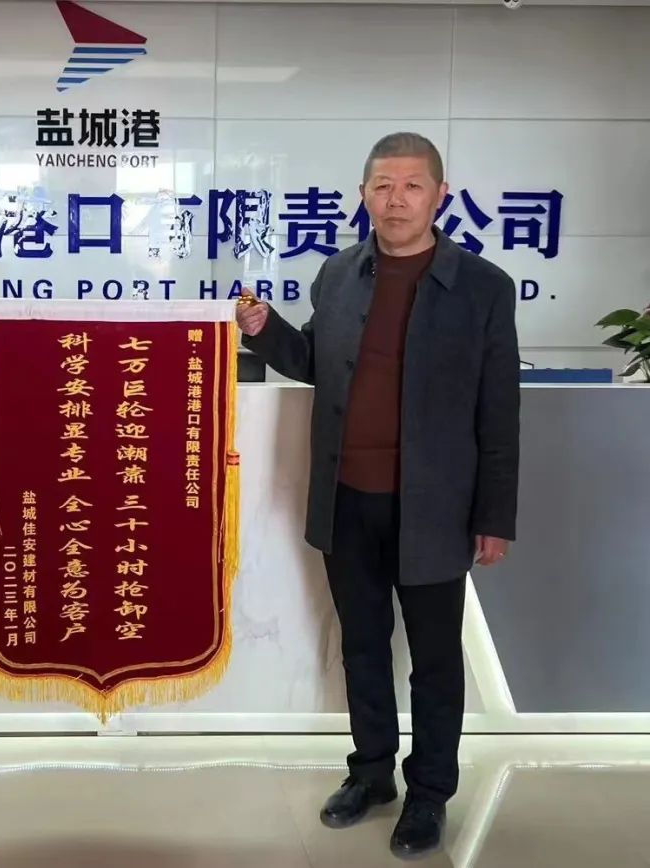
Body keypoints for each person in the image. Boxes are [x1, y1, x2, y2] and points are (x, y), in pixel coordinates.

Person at [237, 132, 519, 859]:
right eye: (382, 186)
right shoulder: (338, 274)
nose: (396, 200)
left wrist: (494, 515)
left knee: (434, 661)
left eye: (412, 186)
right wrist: (266, 333)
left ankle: (429, 794)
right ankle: (370, 774)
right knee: (362, 646)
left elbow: (499, 411)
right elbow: (314, 360)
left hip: (435, 508)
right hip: (347, 499)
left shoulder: (483, 287)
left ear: (440, 197)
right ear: (362, 195)